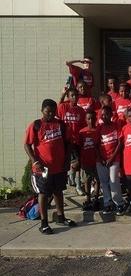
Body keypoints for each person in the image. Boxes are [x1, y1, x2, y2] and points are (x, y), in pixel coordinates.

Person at [24, 99, 77, 234]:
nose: (51, 114)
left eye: (53, 112)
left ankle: (61, 217)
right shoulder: (36, 125)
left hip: (59, 167)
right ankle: (44, 223)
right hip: (42, 169)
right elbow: (27, 145)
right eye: (48, 111)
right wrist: (35, 161)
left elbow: (69, 143)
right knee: (43, 194)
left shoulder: (61, 125)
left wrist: (67, 159)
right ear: (42, 110)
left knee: (58, 191)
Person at [96, 106, 125, 215]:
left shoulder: (116, 126)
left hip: (114, 159)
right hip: (101, 161)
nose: (104, 117)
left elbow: (119, 143)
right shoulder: (99, 128)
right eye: (102, 115)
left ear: (111, 115)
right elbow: (96, 145)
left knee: (114, 181)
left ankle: (119, 203)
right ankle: (107, 203)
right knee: (104, 182)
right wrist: (101, 159)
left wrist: (112, 157)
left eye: (106, 114)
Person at [78, 111, 100, 211]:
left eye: (92, 118)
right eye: (89, 118)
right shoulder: (82, 132)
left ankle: (96, 198)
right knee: (87, 180)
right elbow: (79, 147)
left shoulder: (98, 131)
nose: (91, 120)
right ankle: (88, 199)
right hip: (86, 161)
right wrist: (79, 160)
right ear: (86, 120)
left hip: (96, 160)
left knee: (97, 180)